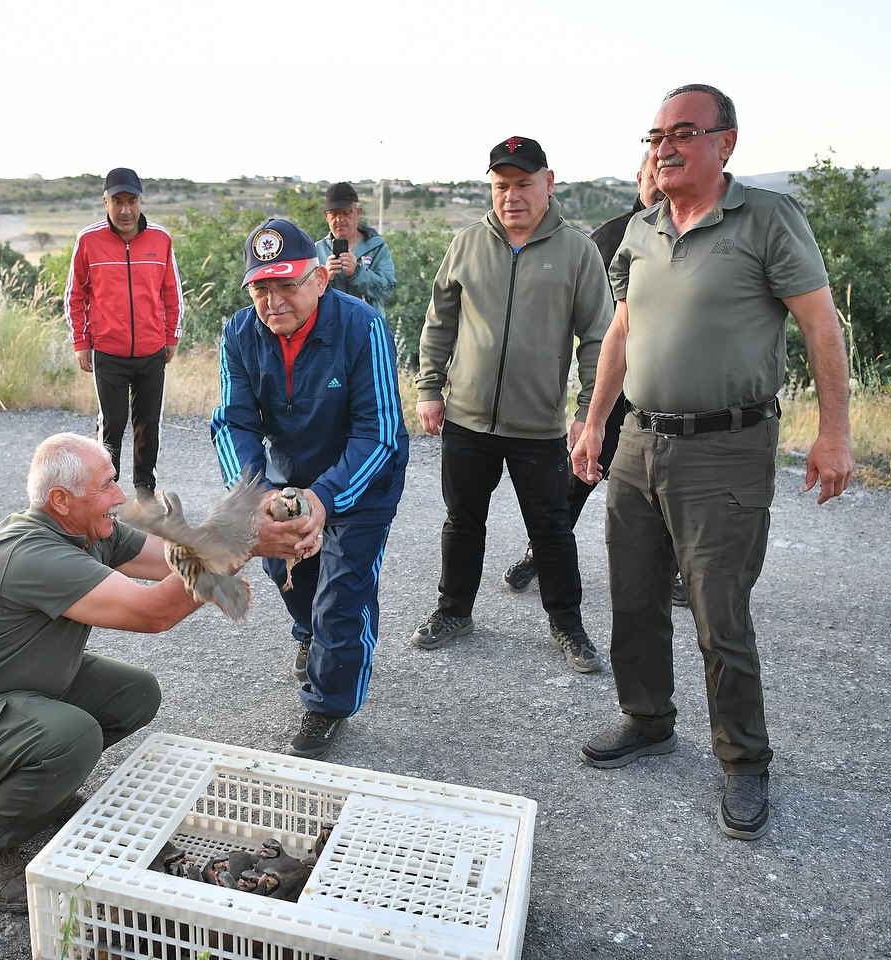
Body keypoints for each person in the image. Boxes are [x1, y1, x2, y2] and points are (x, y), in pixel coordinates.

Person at [571, 84, 854, 841]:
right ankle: (648, 718)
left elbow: (822, 326)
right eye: (656, 134)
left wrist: (835, 432)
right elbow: (623, 333)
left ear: (726, 143)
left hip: (727, 447)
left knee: (718, 612)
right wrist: (595, 421)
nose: (665, 147)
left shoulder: (767, 220)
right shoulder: (640, 228)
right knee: (632, 596)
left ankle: (745, 760)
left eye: (684, 133)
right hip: (639, 441)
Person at [0, 432, 213, 913]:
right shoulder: (33, 555)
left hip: (1, 691)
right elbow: (152, 613)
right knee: (72, 738)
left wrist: (235, 537)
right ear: (61, 499)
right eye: (106, 486)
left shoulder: (86, 530)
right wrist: (229, 558)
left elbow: (166, 561)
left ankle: (37, 791)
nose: (119, 497)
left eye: (115, 481)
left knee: (133, 693)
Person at [411, 136, 612, 674]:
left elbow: (599, 337)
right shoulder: (467, 244)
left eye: (523, 184)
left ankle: (567, 624)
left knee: (551, 528)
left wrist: (587, 412)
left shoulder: (578, 251)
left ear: (548, 182)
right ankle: (454, 611)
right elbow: (440, 322)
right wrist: (430, 388)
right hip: (467, 419)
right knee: (462, 520)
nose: (512, 196)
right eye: (501, 186)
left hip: (538, 425)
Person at [212, 218, 408, 760]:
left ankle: (327, 705)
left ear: (320, 280)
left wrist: (325, 498)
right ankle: (310, 634)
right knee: (288, 568)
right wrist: (255, 499)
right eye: (261, 289)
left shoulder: (362, 325)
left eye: (288, 284)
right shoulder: (238, 334)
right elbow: (233, 423)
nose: (274, 301)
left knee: (343, 594)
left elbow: (381, 430)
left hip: (363, 477)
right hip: (286, 475)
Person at [501, 151, 689, 606]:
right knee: (578, 476)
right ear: (639, 180)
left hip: (675, 391)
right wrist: (589, 403)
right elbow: (593, 322)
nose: (659, 189)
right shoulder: (611, 236)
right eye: (651, 179)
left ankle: (669, 571)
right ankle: (541, 553)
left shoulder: (696, 234)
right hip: (618, 387)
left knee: (670, 486)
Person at [65, 167, 183, 500]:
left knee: (148, 426)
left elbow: (172, 293)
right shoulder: (88, 240)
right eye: (118, 201)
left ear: (140, 201)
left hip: (151, 351)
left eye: (132, 201)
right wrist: (80, 342)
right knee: (112, 424)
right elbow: (75, 294)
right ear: (106, 202)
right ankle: (105, 492)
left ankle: (145, 494)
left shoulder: (160, 239)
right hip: (108, 352)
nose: (126, 210)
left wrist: (171, 337)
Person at [314, 182, 397, 320]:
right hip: (330, 330)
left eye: (346, 212)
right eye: (334, 214)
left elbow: (388, 287)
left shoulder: (376, 247)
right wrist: (325, 279)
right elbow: (305, 295)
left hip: (368, 327)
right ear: (326, 216)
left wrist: (357, 273)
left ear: (358, 213)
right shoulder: (316, 250)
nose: (339, 219)